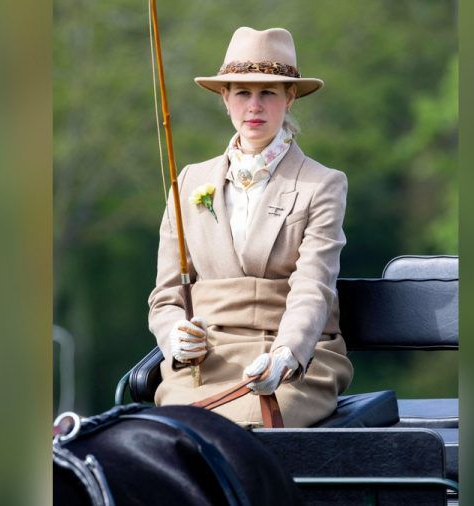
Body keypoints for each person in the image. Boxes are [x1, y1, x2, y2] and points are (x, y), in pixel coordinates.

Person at [148, 27, 353, 428]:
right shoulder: (189, 181)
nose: (254, 106)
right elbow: (165, 296)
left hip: (291, 357)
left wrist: (287, 355)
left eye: (268, 93)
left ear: (289, 98)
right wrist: (174, 336)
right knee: (167, 436)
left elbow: (314, 285)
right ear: (225, 99)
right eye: (242, 92)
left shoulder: (323, 184)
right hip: (204, 364)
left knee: (254, 429)